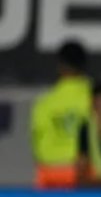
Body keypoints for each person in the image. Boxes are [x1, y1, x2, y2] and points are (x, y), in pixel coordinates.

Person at [30, 40, 93, 189]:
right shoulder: (95, 98)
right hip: (84, 175)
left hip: (48, 175)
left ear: (60, 66)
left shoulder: (43, 103)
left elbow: (36, 143)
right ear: (84, 65)